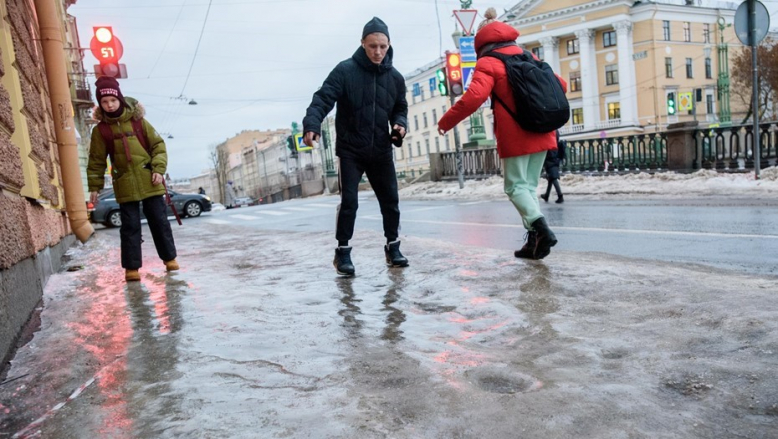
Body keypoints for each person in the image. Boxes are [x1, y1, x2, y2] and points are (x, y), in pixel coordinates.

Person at [436, 8, 566, 260]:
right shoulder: (529, 56)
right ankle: (534, 242)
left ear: (481, 41)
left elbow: (473, 97)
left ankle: (541, 229)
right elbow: (561, 84)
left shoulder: (488, 62)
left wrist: (446, 122)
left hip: (516, 135)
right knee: (527, 187)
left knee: (515, 188)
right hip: (543, 130)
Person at [302, 17, 409, 276]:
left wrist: (399, 124)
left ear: (389, 44)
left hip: (381, 149)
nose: (378, 52)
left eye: (383, 46)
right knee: (349, 202)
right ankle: (343, 253)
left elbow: (400, 107)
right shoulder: (345, 70)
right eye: (372, 46)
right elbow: (322, 98)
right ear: (362, 43)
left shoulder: (395, 78)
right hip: (351, 149)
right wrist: (311, 125)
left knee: (391, 201)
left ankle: (393, 248)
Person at [87, 77, 179, 282]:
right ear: (100, 104)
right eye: (104, 101)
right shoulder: (100, 131)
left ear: (119, 98)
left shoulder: (138, 121)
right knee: (129, 227)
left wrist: (158, 169)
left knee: (159, 221)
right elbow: (96, 160)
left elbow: (158, 146)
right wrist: (94, 185)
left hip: (150, 179)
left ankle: (169, 258)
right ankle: (132, 268)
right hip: (124, 182)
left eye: (112, 100)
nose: (109, 105)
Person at [541, 131, 566, 204]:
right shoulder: (555, 129)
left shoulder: (550, 129)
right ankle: (546, 195)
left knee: (553, 177)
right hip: (555, 152)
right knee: (551, 177)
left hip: (550, 153)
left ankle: (560, 196)